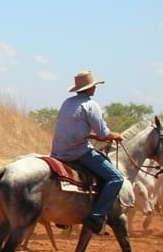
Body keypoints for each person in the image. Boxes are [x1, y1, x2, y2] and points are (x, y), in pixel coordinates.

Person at [50, 70, 124, 235]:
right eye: (94, 86)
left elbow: (74, 131)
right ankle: (97, 216)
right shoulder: (91, 105)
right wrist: (116, 136)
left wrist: (93, 135)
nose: (95, 89)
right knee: (116, 178)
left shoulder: (67, 103)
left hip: (57, 152)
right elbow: (105, 134)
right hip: (77, 152)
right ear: (90, 89)